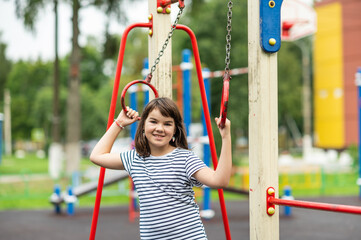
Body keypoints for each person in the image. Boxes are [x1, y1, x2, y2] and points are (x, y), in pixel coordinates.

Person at [90, 97, 232, 240]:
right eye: (153, 121)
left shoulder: (185, 159)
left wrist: (226, 137)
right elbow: (97, 156)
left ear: (175, 129)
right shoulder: (134, 159)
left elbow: (219, 181)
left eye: (167, 124)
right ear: (143, 124)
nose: (160, 128)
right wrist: (119, 123)